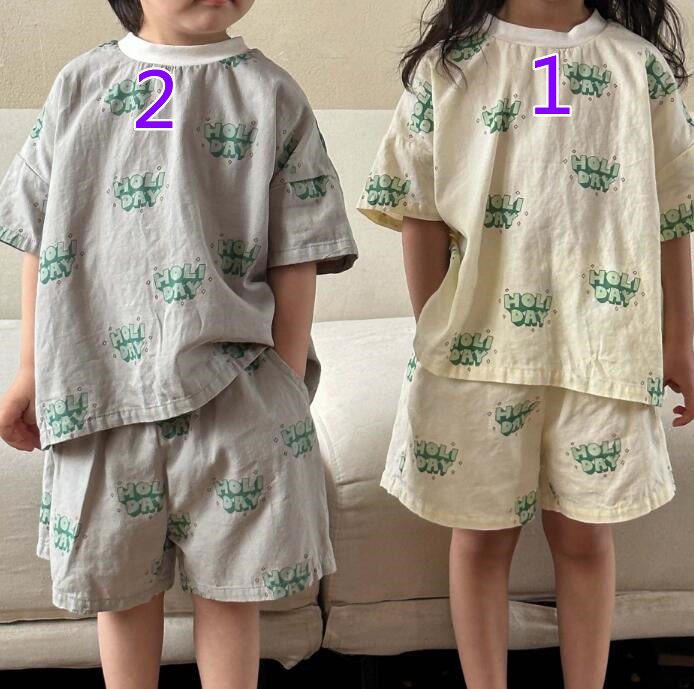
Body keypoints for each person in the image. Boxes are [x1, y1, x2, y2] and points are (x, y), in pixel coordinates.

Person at [0, 1, 358, 687]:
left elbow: (298, 250)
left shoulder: (272, 93)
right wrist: (29, 370)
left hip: (236, 390)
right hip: (98, 393)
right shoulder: (80, 83)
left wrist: (285, 379)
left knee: (233, 591)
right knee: (121, 590)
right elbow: (39, 230)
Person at [357, 1, 694, 687]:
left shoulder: (638, 66)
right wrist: (431, 328)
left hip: (605, 350)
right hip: (476, 353)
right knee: (481, 536)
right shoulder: (450, 65)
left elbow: (672, 213)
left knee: (585, 535)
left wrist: (680, 338)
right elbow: (420, 208)